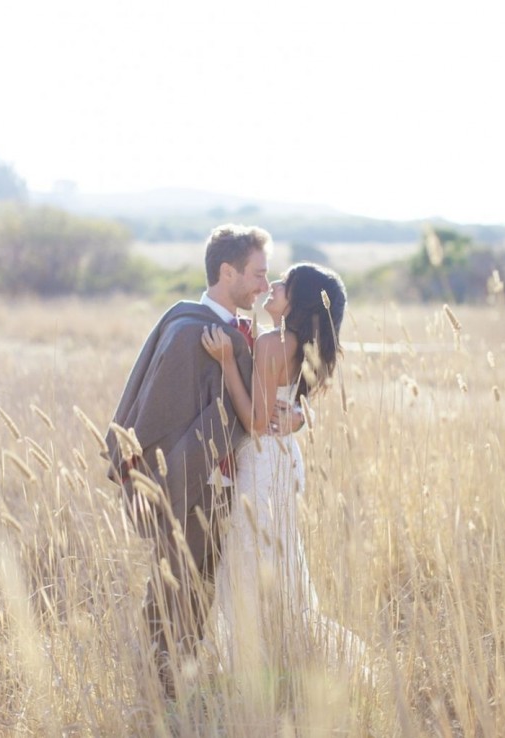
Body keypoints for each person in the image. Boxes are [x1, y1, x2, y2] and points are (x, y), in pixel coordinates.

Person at [104, 223, 302, 679]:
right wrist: (157, 472)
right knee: (175, 581)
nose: (262, 284)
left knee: (204, 585)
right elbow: (154, 408)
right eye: (256, 274)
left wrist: (295, 416)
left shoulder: (246, 331)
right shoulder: (187, 327)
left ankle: (182, 678)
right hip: (189, 477)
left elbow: (262, 402)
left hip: (235, 483)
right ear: (227, 272)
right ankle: (161, 684)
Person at [201, 263, 366, 675]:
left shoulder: (275, 343)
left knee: (249, 562)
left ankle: (254, 667)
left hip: (262, 461)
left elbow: (256, 421)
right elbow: (287, 405)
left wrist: (224, 362)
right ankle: (282, 661)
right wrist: (299, 414)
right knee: (275, 560)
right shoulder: (297, 345)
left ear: (298, 302)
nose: (273, 285)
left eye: (285, 285)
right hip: (282, 458)